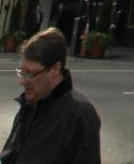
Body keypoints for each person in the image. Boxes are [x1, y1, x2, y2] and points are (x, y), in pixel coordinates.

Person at [0, 27, 100, 164]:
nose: (22, 81)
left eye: (30, 74)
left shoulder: (79, 115)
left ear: (55, 69)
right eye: (21, 72)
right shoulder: (29, 105)